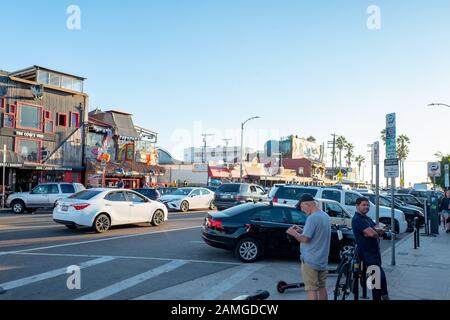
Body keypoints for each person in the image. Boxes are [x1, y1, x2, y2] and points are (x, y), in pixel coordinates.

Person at [286, 194, 331, 300]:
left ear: (307, 204)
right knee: (321, 287)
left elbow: (305, 239)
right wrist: (301, 230)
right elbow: (316, 234)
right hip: (322, 259)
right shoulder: (325, 216)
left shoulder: (312, 218)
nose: (302, 210)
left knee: (311, 289)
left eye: (302, 207)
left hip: (310, 260)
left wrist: (293, 233)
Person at [352, 197, 389, 300]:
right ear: (357, 206)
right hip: (367, 252)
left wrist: (374, 232)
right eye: (363, 205)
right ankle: (381, 296)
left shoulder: (366, 218)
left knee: (376, 275)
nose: (366, 207)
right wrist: (374, 232)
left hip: (374, 252)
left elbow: (379, 228)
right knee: (376, 276)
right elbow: (373, 233)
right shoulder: (357, 219)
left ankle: (381, 295)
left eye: (367, 205)